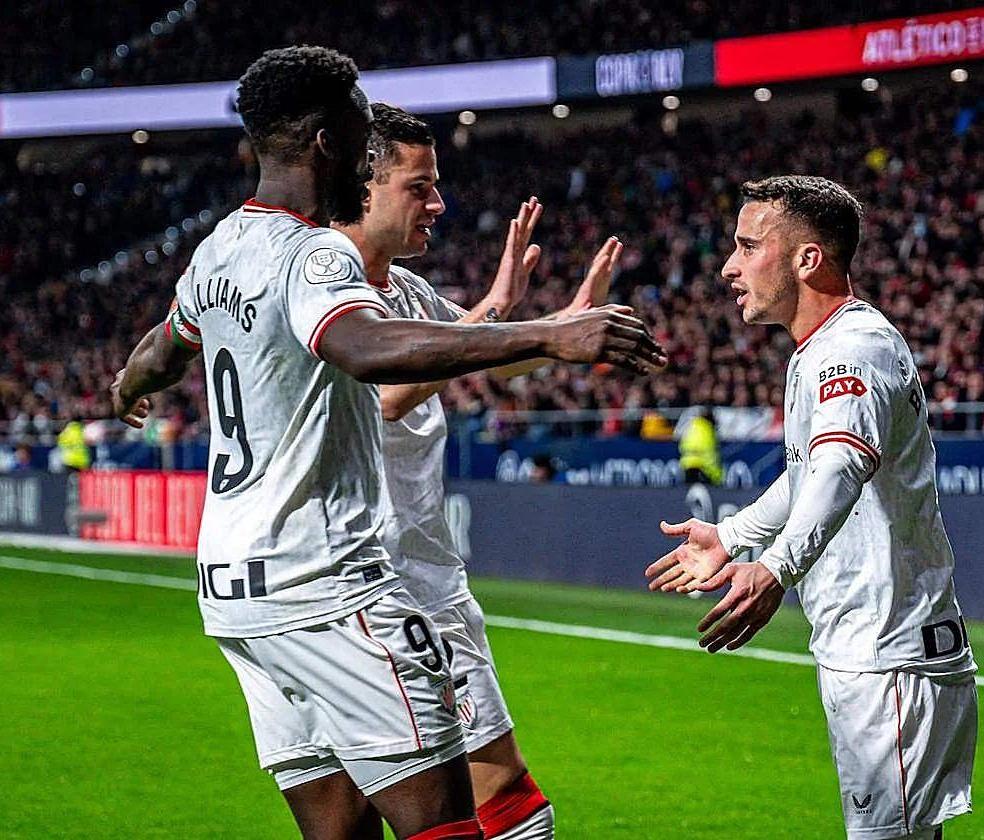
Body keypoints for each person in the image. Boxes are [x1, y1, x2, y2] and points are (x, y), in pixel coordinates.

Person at [109, 46, 665, 840]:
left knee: (340, 830)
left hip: (236, 594)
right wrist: (547, 329)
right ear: (329, 140)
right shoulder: (316, 254)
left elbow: (163, 351)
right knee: (456, 822)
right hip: (331, 582)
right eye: (360, 127)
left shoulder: (219, 248)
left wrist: (126, 386)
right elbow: (369, 354)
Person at [645, 175, 977, 840]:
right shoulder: (822, 350)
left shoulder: (850, 349)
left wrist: (775, 569)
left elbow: (840, 465)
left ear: (807, 259)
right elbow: (807, 474)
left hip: (890, 655)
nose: (729, 266)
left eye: (747, 247)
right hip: (874, 649)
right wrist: (733, 535)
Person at [333, 102, 625, 839]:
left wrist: (559, 328)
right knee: (499, 806)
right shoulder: (326, 289)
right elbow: (393, 394)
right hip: (382, 588)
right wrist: (498, 307)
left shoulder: (409, 292)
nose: (438, 202)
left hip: (421, 578)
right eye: (419, 186)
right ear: (361, 187)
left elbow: (490, 352)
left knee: (376, 815)